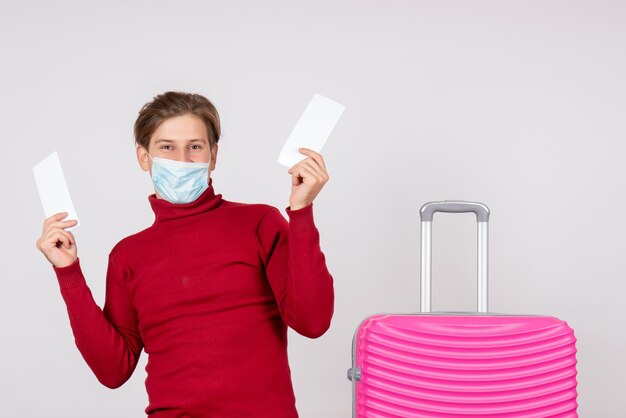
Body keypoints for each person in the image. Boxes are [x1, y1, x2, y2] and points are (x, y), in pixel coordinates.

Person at [35, 91, 335, 417]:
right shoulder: (128, 256)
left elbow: (312, 321)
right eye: (167, 147)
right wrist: (68, 272)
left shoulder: (259, 223)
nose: (182, 160)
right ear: (143, 157)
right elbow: (112, 370)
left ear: (213, 155)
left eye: (195, 147)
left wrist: (301, 211)